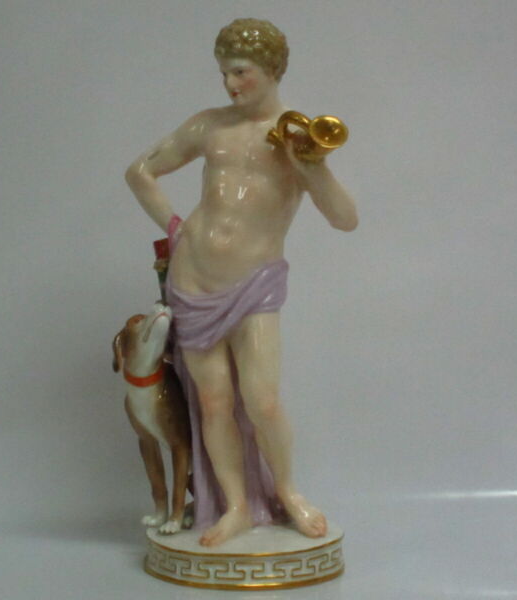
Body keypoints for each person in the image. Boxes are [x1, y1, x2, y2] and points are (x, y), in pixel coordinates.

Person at [125, 18, 357, 547]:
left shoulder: (296, 137)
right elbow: (140, 172)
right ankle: (233, 506)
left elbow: (345, 219)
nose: (230, 84)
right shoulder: (209, 126)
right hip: (193, 279)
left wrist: (313, 166)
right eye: (224, 73)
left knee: (263, 401)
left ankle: (288, 492)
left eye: (240, 72)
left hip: (254, 283)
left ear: (272, 70)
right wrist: (175, 228)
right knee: (213, 403)